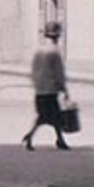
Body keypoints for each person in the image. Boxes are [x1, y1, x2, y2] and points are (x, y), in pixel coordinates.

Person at [25, 21, 72, 150]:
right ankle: (30, 136)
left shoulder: (38, 50)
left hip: (39, 89)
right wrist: (64, 88)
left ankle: (60, 140)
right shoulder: (54, 52)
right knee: (47, 117)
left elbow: (33, 70)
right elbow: (58, 73)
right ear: (56, 36)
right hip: (50, 89)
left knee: (52, 116)